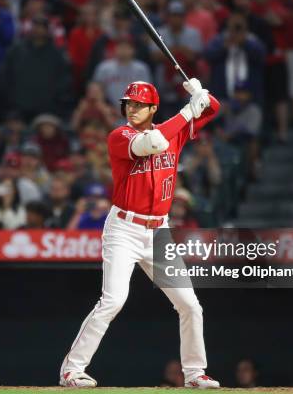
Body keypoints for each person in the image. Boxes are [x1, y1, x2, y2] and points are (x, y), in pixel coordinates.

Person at [59, 80, 221, 388]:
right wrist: (189, 109)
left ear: (153, 108)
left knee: (189, 305)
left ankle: (195, 373)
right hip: (124, 229)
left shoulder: (175, 130)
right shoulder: (120, 135)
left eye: (138, 104)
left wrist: (199, 93)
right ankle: (72, 370)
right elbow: (154, 143)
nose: (131, 109)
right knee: (114, 300)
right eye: (128, 104)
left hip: (159, 230)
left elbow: (214, 108)